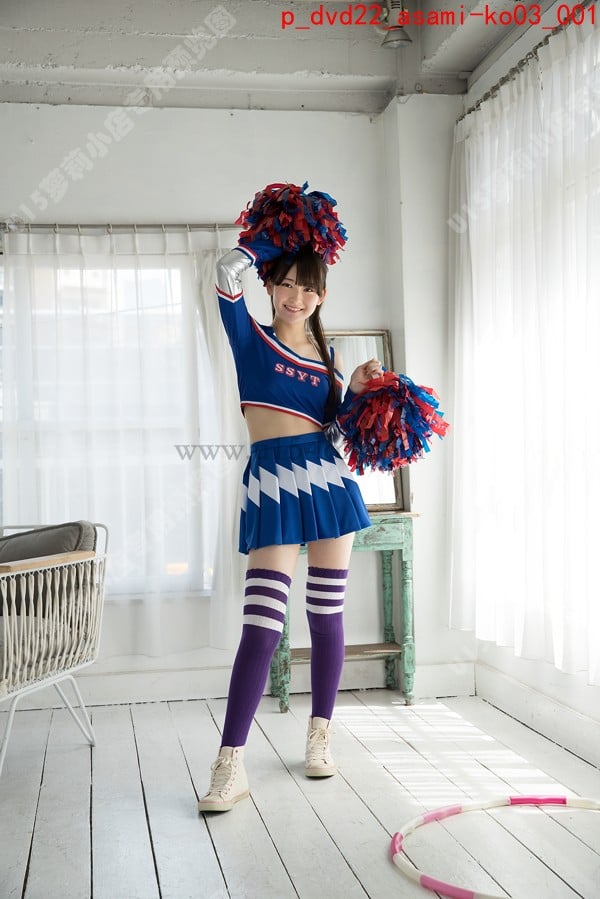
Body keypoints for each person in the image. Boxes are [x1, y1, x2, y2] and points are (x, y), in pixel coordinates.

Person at [198, 239, 383, 813]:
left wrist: (354, 392)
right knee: (261, 627)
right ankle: (229, 763)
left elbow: (338, 433)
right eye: (285, 283)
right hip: (272, 485)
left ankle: (320, 735)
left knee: (326, 617)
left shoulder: (328, 362)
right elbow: (225, 271)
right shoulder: (249, 336)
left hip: (327, 484)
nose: (295, 296)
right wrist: (275, 239)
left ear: (321, 295)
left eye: (307, 286)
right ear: (270, 286)